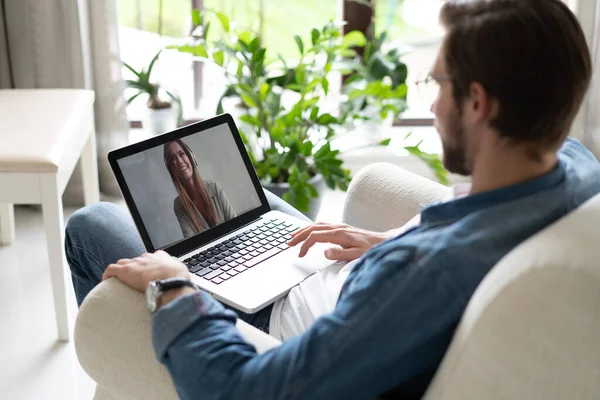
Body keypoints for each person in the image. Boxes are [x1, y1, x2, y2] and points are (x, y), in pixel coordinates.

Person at [65, 0, 600, 398]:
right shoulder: (575, 168)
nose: (433, 102)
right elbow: (464, 226)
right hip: (338, 275)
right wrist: (387, 237)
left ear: (477, 102)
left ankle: (126, 367)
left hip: (281, 323)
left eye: (437, 82)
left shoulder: (421, 275)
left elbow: (249, 389)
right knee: (256, 215)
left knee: (91, 226)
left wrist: (173, 285)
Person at [164, 139, 237, 238]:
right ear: (172, 170)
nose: (180, 161)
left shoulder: (214, 188)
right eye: (173, 158)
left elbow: (236, 225)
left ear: (191, 157)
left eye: (181, 154)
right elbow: (191, 241)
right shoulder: (179, 205)